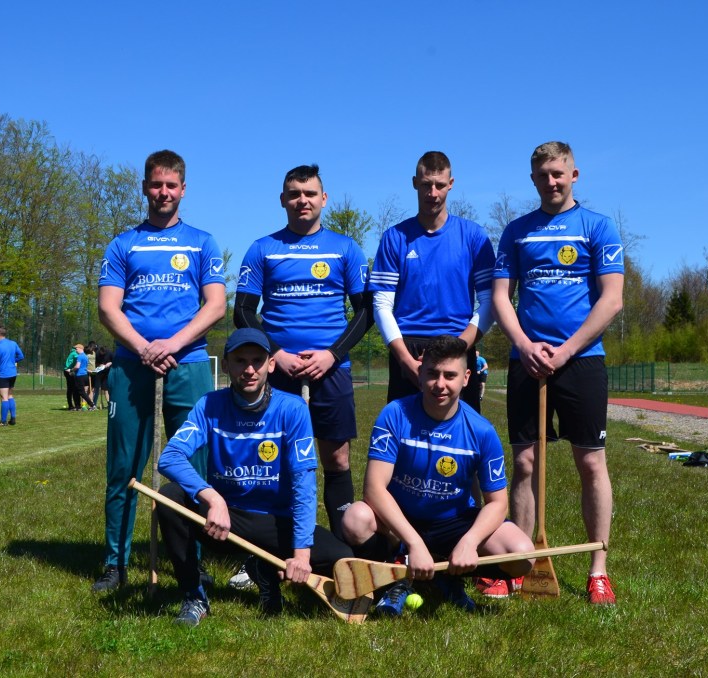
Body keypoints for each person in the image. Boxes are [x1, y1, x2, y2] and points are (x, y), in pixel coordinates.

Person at [491, 141, 624, 605]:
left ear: (574, 175)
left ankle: (598, 570)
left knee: (591, 463)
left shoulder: (598, 227)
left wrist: (566, 351)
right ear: (533, 179)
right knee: (525, 463)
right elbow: (501, 297)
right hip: (527, 362)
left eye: (558, 173)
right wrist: (524, 346)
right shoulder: (516, 231)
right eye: (543, 175)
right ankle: (517, 565)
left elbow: (612, 300)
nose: (551, 181)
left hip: (581, 360)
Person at [93, 149, 227, 593]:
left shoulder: (202, 242)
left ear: (183, 190)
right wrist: (143, 348)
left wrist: (172, 344)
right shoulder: (123, 244)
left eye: (171, 185)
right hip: (133, 368)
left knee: (193, 467)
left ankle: (193, 562)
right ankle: (115, 563)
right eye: (156, 184)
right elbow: (108, 308)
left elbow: (215, 305)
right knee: (124, 467)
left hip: (188, 366)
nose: (163, 192)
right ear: (144, 187)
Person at [155, 328, 354, 625]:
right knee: (170, 497)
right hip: (225, 521)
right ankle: (194, 596)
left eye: (257, 361)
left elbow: (304, 486)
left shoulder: (293, 409)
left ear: (271, 365)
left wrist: (301, 555)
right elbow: (170, 457)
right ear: (225, 365)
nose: (249, 370)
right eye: (240, 361)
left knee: (340, 557)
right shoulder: (209, 405)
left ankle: (263, 568)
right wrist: (212, 498)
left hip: (276, 522)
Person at [341, 335, 535, 615]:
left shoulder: (482, 431)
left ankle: (448, 575)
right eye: (432, 373)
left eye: (450, 375)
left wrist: (469, 543)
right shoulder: (394, 414)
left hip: (453, 523)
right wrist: (413, 542)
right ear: (420, 374)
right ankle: (395, 575)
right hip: (400, 520)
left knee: (522, 555)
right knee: (355, 519)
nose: (440, 384)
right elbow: (374, 489)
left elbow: (497, 502)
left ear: (466, 378)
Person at [234, 163, 371, 543]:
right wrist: (276, 354)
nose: (302, 200)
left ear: (323, 199)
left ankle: (340, 550)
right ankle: (268, 551)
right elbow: (243, 310)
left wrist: (332, 354)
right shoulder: (263, 249)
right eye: (294, 194)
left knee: (336, 459)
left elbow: (366, 312)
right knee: (270, 458)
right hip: (278, 372)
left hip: (331, 371)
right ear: (283, 200)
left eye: (310, 193)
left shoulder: (346, 248)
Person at [369, 151, 495, 413]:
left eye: (440, 185)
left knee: (461, 433)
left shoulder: (474, 236)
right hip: (408, 348)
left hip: (458, 343)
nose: (433, 193)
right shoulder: (394, 237)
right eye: (426, 184)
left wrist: (458, 348)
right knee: (405, 433)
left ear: (451, 184)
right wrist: (405, 360)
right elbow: (381, 304)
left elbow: (490, 302)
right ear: (415, 183)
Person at [0, 325, 24, 426]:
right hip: (13, 373)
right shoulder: (13, 343)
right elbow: (21, 356)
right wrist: (13, 361)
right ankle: (13, 418)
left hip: (3, 374)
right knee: (10, 395)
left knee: (4, 397)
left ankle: (3, 421)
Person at [72, 343, 95, 410]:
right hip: (85, 375)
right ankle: (77, 406)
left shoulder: (80, 356)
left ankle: (92, 405)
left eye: (76, 349)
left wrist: (71, 370)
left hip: (80, 376)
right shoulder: (85, 356)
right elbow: (84, 367)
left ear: (80, 348)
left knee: (82, 392)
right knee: (76, 391)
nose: (76, 350)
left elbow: (77, 366)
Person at [94, 345, 112, 409]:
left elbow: (114, 361)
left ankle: (109, 404)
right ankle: (94, 404)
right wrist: (99, 365)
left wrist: (110, 363)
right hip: (99, 373)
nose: (102, 354)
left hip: (106, 373)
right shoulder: (97, 354)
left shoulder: (110, 353)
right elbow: (96, 363)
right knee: (96, 388)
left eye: (103, 353)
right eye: (101, 353)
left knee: (106, 389)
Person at [63, 344, 79, 410]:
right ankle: (72, 406)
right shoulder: (74, 353)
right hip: (69, 371)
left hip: (68, 371)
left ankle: (71, 405)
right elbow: (79, 358)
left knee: (71, 389)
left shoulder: (72, 352)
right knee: (72, 389)